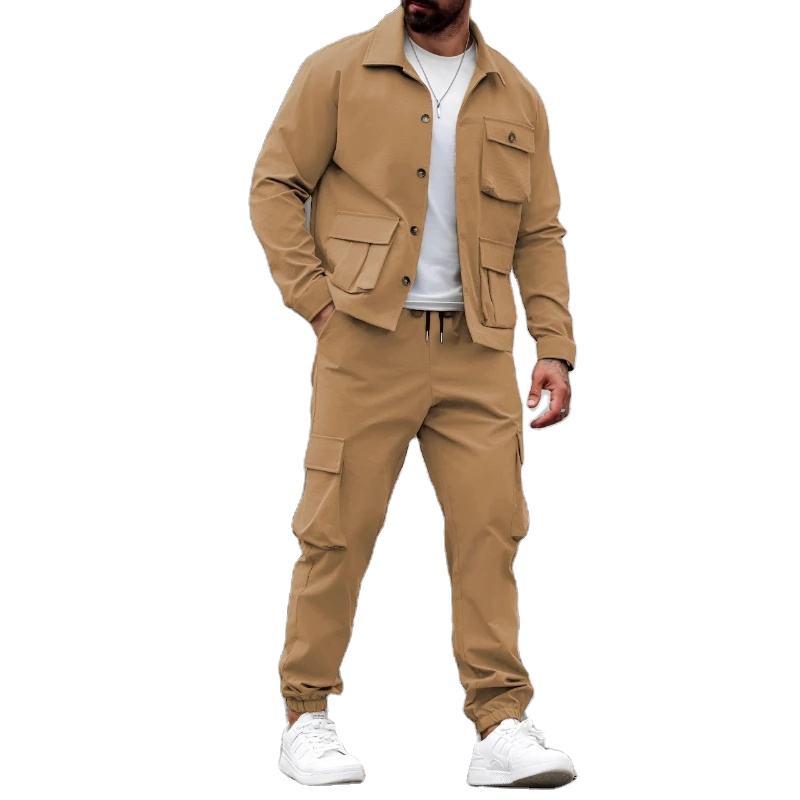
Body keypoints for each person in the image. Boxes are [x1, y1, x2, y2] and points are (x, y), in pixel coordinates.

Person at [249, 1, 577, 788]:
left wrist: (554, 346)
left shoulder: (516, 95)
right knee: (335, 530)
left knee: (491, 532)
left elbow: (539, 232)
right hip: (366, 340)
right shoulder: (336, 71)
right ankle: (306, 715)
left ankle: (500, 724)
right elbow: (274, 186)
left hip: (479, 349)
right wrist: (318, 305)